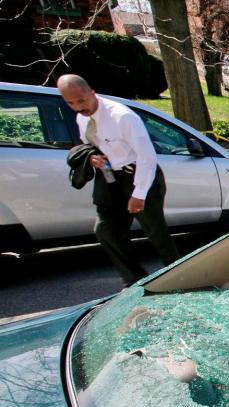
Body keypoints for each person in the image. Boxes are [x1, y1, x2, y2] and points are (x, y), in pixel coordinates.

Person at [57, 74, 178, 286]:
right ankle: (135, 281)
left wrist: (139, 193)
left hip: (139, 174)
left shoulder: (122, 117)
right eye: (71, 103)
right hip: (110, 177)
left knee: (156, 233)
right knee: (105, 231)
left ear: (92, 93)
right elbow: (91, 145)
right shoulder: (81, 118)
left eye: (82, 100)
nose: (78, 107)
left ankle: (180, 278)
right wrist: (92, 158)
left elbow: (147, 156)